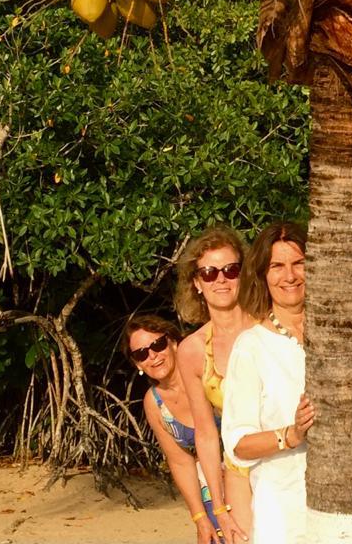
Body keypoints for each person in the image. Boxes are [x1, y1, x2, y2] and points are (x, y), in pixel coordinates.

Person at [221, 221, 314, 544]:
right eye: (277, 266)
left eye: (298, 263)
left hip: (345, 508)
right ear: (262, 274)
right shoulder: (251, 347)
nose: (289, 276)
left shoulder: (341, 337)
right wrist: (291, 434)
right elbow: (237, 445)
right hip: (282, 515)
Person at [122, 315, 240, 544]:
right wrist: (199, 518)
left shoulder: (207, 374)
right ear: (137, 364)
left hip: (246, 478)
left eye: (157, 345)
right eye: (141, 354)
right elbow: (180, 462)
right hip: (210, 494)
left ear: (175, 343)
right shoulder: (155, 403)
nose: (153, 356)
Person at [175, 226, 256, 537]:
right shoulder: (192, 350)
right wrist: (218, 507)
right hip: (238, 470)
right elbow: (206, 434)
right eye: (209, 272)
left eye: (231, 270)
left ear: (244, 274)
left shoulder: (270, 326)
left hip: (288, 461)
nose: (221, 279)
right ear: (197, 282)